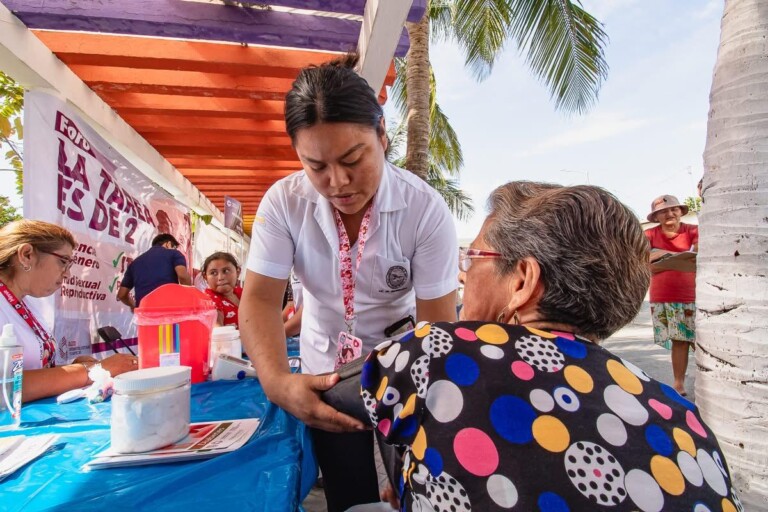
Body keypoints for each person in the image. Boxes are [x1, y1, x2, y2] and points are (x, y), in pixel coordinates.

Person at [355, 182, 740, 511]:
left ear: (523, 280)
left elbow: (339, 394)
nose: (463, 273)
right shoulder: (686, 419)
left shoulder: (438, 351)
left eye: (473, 258)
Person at [239, 53, 459, 512]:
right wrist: (278, 381)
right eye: (315, 166)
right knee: (347, 492)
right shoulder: (283, 203)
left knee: (412, 492)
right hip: (323, 372)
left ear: (382, 135)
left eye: (353, 159)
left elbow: (438, 327)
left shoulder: (424, 209)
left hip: (401, 370)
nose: (337, 182)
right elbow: (259, 300)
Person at [0, 220, 138, 402]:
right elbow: (8, 385)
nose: (67, 274)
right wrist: (90, 371)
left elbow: (31, 371)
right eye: (63, 262)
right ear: (26, 255)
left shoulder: (24, 304)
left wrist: (72, 368)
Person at [645, 194, 698, 396]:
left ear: (681, 211)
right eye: (663, 211)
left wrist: (660, 261)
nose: (669, 214)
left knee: (701, 340)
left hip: (694, 294)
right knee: (679, 340)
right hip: (664, 295)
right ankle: (678, 383)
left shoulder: (692, 231)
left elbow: (698, 256)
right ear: (656, 216)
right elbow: (642, 261)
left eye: (673, 209)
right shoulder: (649, 235)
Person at [117, 233, 192, 311]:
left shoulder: (135, 263)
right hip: (168, 312)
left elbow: (121, 295)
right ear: (168, 244)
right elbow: (182, 276)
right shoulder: (174, 254)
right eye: (174, 247)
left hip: (144, 314)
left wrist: (133, 305)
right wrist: (189, 297)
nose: (175, 249)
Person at [202, 252, 242, 327]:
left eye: (226, 271)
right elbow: (218, 330)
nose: (220, 278)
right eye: (213, 273)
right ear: (205, 276)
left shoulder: (243, 293)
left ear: (238, 272)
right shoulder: (209, 299)